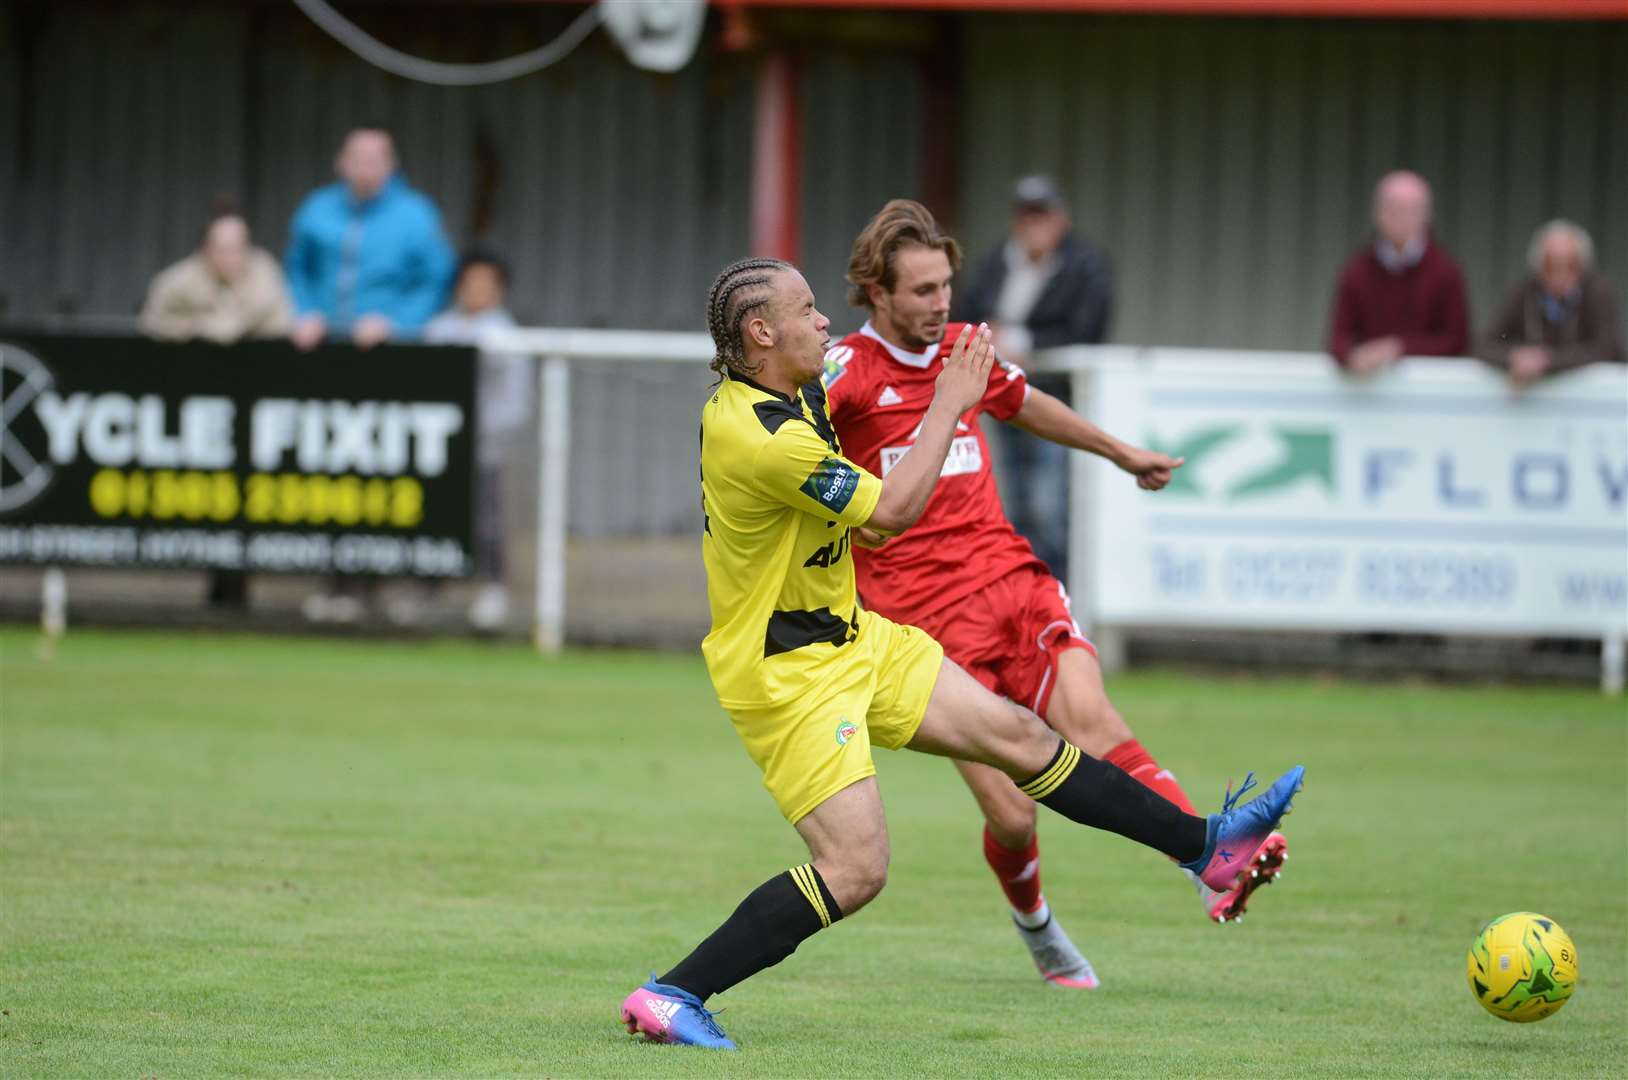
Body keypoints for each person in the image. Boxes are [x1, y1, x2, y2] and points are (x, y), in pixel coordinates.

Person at [618, 256, 1305, 1049]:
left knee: (1021, 736)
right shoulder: (762, 437)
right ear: (760, 332)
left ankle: (1208, 850)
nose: (824, 322)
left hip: (854, 639)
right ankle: (673, 993)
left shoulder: (791, 391)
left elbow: (873, 467)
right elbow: (896, 511)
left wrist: (933, 371)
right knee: (858, 869)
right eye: (807, 312)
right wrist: (947, 400)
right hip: (788, 676)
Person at [824, 199, 1279, 992]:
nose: (942, 305)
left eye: (946, 287)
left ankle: (1210, 857)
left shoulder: (966, 351)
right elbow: (791, 453)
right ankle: (1036, 924)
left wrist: (1120, 451)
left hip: (1009, 581)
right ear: (877, 291)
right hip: (923, 631)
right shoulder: (846, 376)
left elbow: (1026, 403)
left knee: (1094, 719)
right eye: (923, 291)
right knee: (1014, 813)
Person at [953, 176, 1111, 582]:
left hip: (1055, 396)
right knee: (1020, 503)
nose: (1033, 226)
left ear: (1060, 219)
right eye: (1026, 216)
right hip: (1005, 397)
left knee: (1050, 505)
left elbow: (1087, 328)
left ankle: (1060, 590)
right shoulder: (995, 263)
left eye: (1042, 216)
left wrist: (1023, 340)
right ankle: (1029, 589)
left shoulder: (1085, 265)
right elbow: (964, 313)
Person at [424, 251, 530, 628]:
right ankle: (428, 591)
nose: (477, 291)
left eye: (486, 284)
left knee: (488, 520)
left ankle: (493, 589)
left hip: (486, 449)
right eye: (470, 283)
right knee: (433, 515)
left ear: (499, 290)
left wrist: (479, 433)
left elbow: (514, 403)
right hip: (436, 450)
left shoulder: (506, 336)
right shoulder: (437, 331)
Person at [284, 127, 454, 351]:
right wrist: (305, 311)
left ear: (392, 164)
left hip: (389, 346)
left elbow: (436, 279)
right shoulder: (317, 208)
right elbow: (297, 268)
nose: (365, 168)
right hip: (320, 342)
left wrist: (397, 323)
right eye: (357, 158)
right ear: (340, 162)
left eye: (374, 160)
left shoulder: (417, 214)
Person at [1328, 170, 1470, 373]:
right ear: (1377, 213)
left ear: (1426, 215)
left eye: (1410, 210)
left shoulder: (1446, 271)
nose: (1400, 218)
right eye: (1393, 209)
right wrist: (1354, 355)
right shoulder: (1356, 270)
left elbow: (1457, 341)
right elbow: (1337, 338)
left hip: (1427, 393)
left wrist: (1400, 348)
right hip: (1366, 392)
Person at [1477, 220, 1624, 385]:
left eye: (1570, 264)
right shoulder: (1524, 293)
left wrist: (1548, 361)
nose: (1560, 273)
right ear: (1538, 266)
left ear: (1583, 266)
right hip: (1533, 403)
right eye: (1551, 265)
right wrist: (1514, 357)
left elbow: (1607, 348)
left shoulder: (1598, 293)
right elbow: (1483, 344)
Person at [139, 204, 292, 343]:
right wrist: (197, 327)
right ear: (204, 250)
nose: (229, 258)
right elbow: (150, 322)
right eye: (221, 250)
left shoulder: (265, 274)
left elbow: (282, 324)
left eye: (236, 249)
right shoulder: (177, 282)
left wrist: (237, 325)